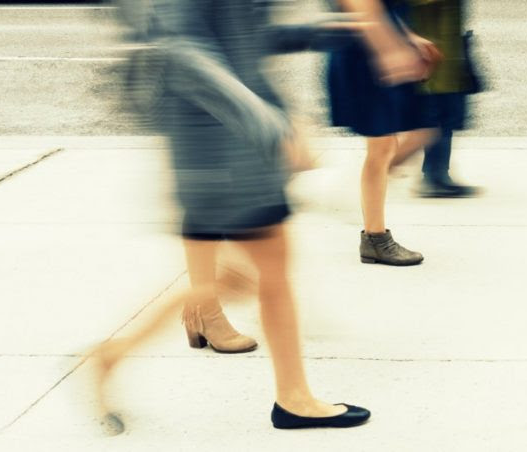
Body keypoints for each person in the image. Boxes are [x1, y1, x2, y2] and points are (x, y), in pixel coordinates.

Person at [90, 0, 424, 431]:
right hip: (221, 144)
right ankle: (293, 398)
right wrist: (269, 127)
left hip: (230, 136)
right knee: (267, 275)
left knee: (250, 277)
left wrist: (350, 31)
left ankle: (115, 356)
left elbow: (249, 36)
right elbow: (184, 53)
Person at [327, 0, 442, 266]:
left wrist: (406, 38)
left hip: (375, 51)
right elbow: (360, 6)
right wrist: (389, 49)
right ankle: (374, 237)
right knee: (386, 144)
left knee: (413, 133)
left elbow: (384, 8)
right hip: (368, 57)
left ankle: (370, 227)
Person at [404, 0, 482, 198]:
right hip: (432, 55)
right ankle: (433, 176)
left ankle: (436, 174)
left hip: (447, 51)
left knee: (444, 115)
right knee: (437, 116)